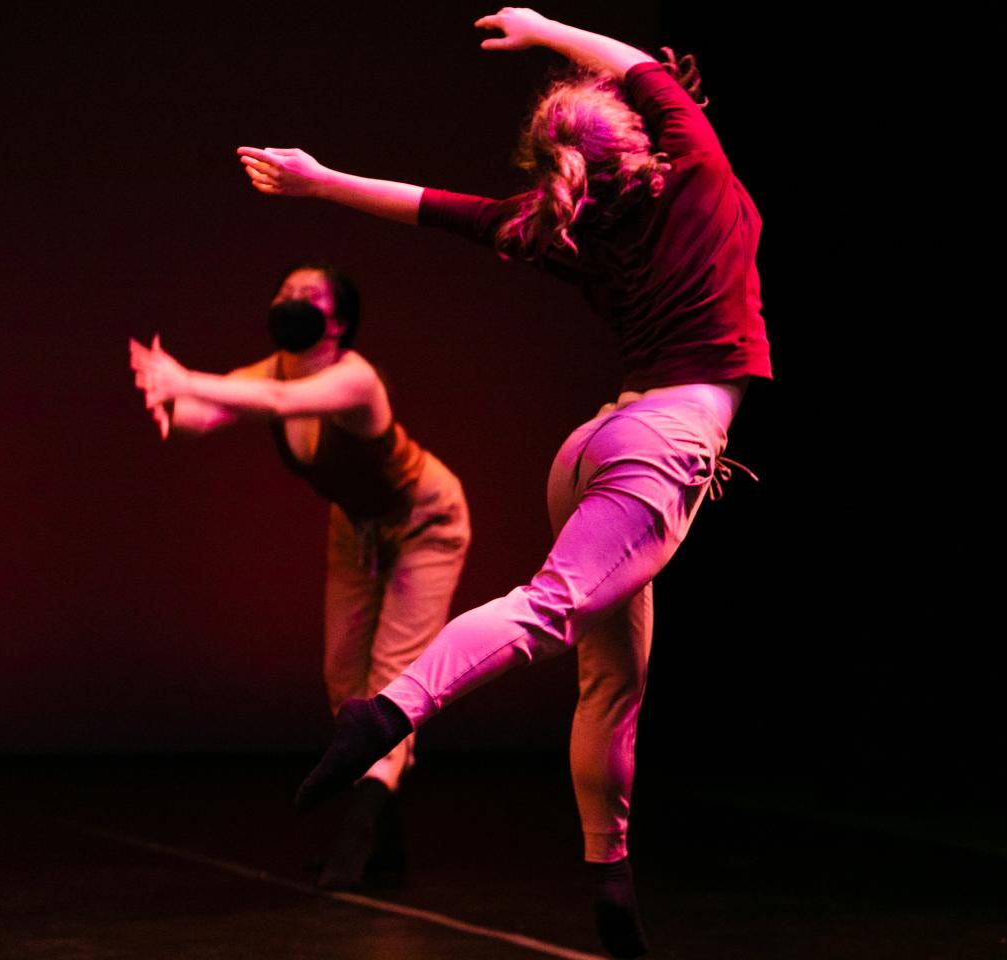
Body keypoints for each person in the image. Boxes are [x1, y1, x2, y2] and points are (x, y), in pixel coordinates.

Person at [236, 9, 770, 956]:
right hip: (662, 443)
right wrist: (544, 27)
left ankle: (612, 893)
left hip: (594, 446)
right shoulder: (694, 168)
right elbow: (639, 65)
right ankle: (390, 711)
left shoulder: (569, 229)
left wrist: (321, 182)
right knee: (549, 610)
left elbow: (433, 206)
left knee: (613, 681)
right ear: (641, 138)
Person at [128, 263, 471, 890]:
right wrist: (169, 404)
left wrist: (182, 376)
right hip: (355, 528)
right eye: (281, 291)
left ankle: (360, 833)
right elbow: (217, 409)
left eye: (303, 295)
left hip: (425, 521)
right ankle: (388, 839)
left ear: (336, 320)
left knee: (393, 679)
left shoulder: (356, 378)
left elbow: (278, 404)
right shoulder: (275, 371)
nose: (286, 301)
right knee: (344, 680)